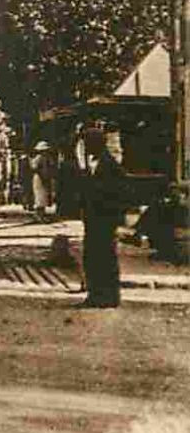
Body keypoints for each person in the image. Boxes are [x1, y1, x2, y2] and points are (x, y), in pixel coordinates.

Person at [78, 124, 128, 308]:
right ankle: (95, 294)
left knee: (105, 257)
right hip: (93, 219)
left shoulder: (111, 165)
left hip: (105, 220)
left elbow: (120, 194)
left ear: (98, 144)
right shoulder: (93, 163)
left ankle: (110, 296)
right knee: (92, 256)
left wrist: (115, 218)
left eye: (89, 143)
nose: (87, 146)